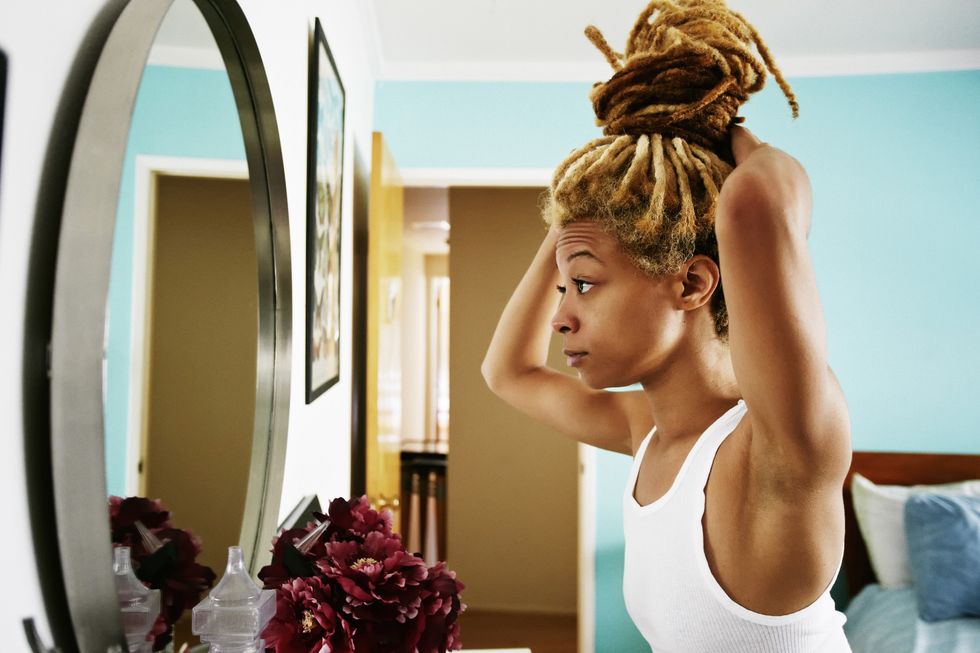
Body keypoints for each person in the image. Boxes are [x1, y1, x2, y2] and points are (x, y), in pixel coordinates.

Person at [481, 1, 853, 651]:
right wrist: (572, 220)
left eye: (586, 286)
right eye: (566, 289)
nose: (560, 316)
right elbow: (506, 372)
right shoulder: (647, 433)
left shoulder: (778, 451)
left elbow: (758, 200)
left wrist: (724, 128)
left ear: (690, 283)